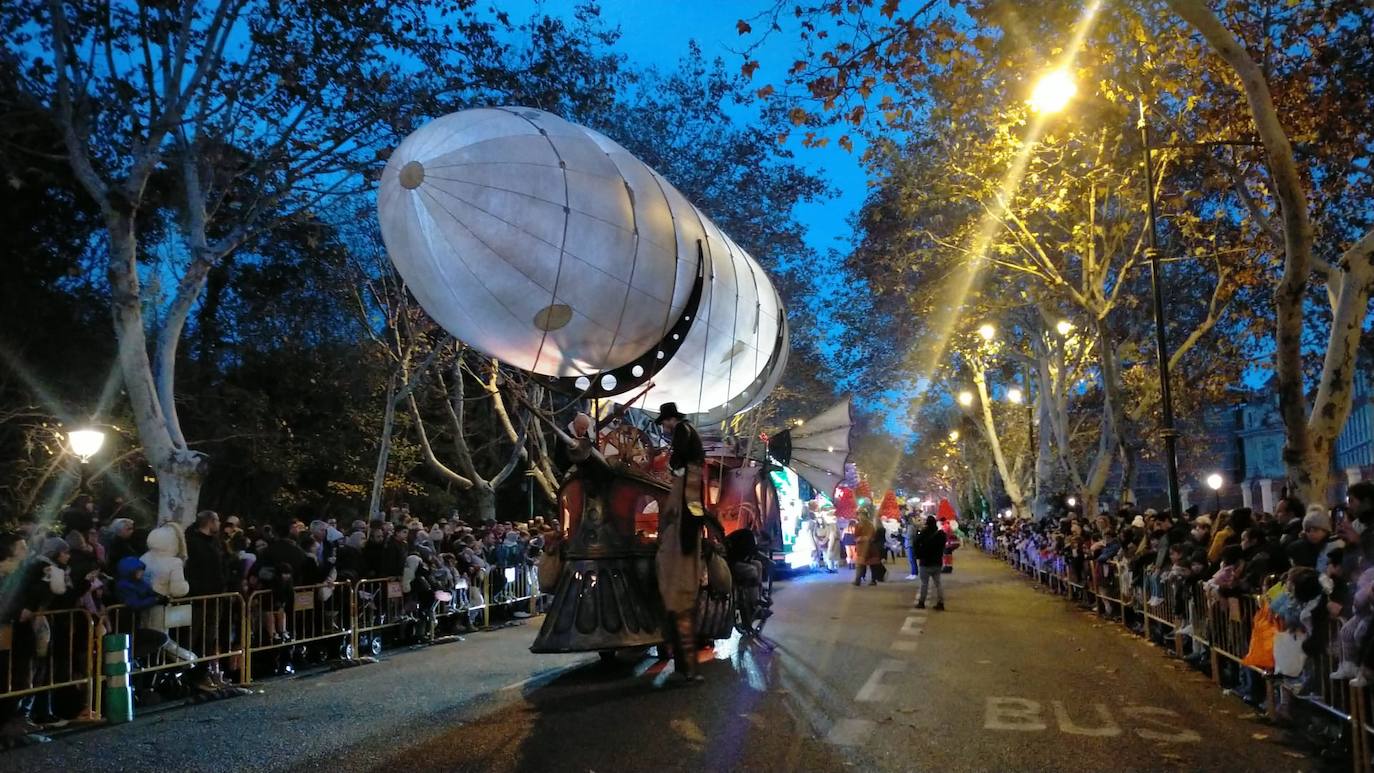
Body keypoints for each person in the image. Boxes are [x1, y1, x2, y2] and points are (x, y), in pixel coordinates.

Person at [653, 401, 705, 684]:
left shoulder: (683, 432)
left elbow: (681, 458)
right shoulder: (690, 495)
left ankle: (686, 668)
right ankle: (686, 668)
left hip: (679, 565)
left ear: (671, 419)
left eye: (664, 423)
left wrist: (676, 468)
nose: (664, 427)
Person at [914, 516, 946, 610]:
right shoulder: (940, 534)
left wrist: (918, 554)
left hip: (925, 561)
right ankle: (941, 602)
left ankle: (921, 602)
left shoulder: (924, 533)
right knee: (938, 583)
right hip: (937, 562)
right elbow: (944, 545)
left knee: (924, 584)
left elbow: (916, 542)